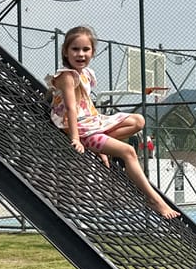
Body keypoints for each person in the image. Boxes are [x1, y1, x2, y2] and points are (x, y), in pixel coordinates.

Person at [46, 26, 179, 219]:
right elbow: (71, 108)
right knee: (129, 152)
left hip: (92, 121)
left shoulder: (86, 74)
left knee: (138, 121)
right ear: (65, 51)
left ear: (93, 52)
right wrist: (75, 138)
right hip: (81, 130)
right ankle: (154, 200)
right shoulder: (67, 76)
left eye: (86, 49)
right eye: (75, 49)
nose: (81, 54)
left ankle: (101, 145)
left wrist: (102, 124)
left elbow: (86, 103)